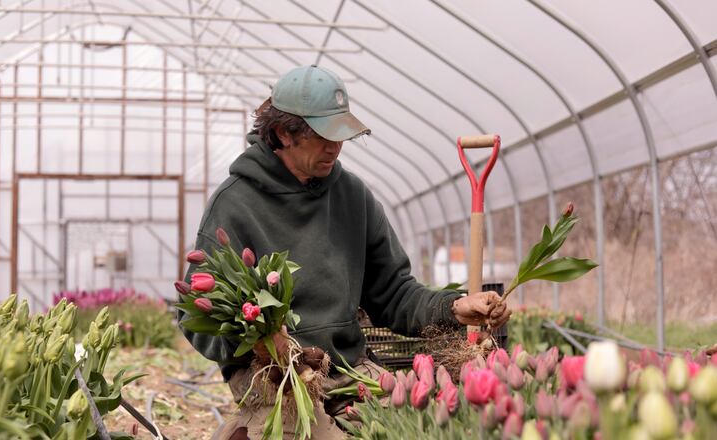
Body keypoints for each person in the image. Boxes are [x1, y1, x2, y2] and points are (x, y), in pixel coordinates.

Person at [178, 65, 511, 439]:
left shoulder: (353, 196)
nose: (335, 147)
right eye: (323, 136)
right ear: (282, 133)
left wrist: (453, 307)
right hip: (276, 377)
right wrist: (255, 338)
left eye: (340, 135)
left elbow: (393, 293)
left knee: (419, 427)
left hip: (350, 369)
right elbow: (197, 321)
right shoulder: (235, 205)